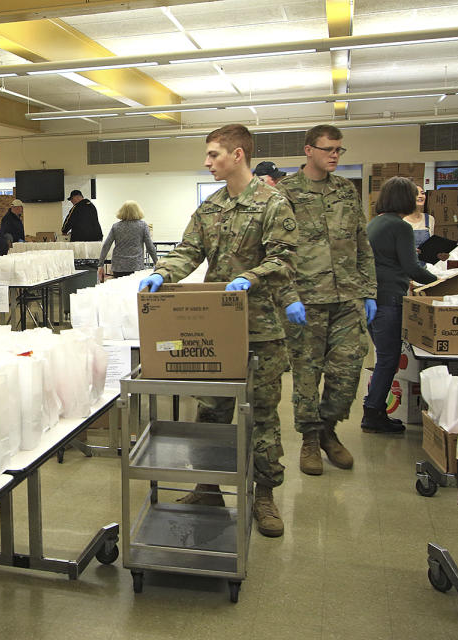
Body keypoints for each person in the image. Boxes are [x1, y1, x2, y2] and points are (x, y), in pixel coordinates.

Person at [139, 124, 304, 538]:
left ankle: (263, 495)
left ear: (238, 155)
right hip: (215, 329)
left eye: (214, 155)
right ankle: (208, 486)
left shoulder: (272, 204)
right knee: (211, 411)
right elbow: (188, 250)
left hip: (260, 328)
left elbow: (284, 260)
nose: (207, 162)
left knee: (263, 414)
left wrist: (251, 277)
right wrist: (162, 274)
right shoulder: (210, 207)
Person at [276, 124, 377, 476]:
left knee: (348, 372)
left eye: (339, 149)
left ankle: (329, 430)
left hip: (347, 298)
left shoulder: (346, 191)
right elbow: (277, 251)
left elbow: (362, 243)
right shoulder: (285, 193)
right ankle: (309, 439)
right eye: (328, 148)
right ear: (308, 150)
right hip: (306, 300)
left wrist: (368, 291)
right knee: (307, 374)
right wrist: (287, 296)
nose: (335, 154)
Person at [364, 177, 438, 433]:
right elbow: (411, 268)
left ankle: (374, 409)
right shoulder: (400, 226)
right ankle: (373, 413)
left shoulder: (376, 223)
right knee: (388, 359)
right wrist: (440, 281)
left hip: (373, 299)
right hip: (389, 300)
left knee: (384, 358)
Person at [97, 201, 158, 281]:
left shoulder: (116, 226)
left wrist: (100, 264)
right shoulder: (143, 225)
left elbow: (106, 245)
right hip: (136, 265)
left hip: (118, 267)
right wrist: (157, 263)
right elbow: (150, 247)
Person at [403, 185, 435, 265]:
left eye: (422, 193)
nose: (420, 196)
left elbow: (432, 247)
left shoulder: (430, 219)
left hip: (426, 268)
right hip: (406, 269)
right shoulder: (400, 220)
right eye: (416, 194)